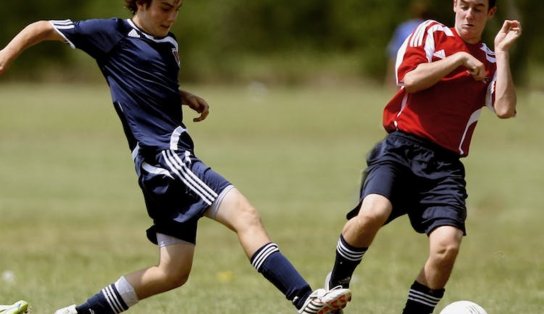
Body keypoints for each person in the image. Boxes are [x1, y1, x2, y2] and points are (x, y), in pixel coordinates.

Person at [0, 0, 352, 313]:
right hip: (167, 159)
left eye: (177, 9)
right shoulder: (111, 33)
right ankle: (305, 299)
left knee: (172, 272)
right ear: (140, 3)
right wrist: (4, 56)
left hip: (160, 165)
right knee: (246, 215)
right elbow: (42, 28)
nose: (171, 17)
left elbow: (148, 82)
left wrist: (180, 95)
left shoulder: (169, 44)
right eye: (165, 8)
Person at [324, 0, 521, 313]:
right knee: (372, 213)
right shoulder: (430, 32)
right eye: (465, 5)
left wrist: (503, 52)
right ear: (455, 4)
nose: (470, 14)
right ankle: (334, 287)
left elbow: (505, 108)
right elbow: (411, 80)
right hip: (401, 148)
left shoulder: (490, 60)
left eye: (479, 8)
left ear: (490, 13)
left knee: (447, 247)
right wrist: (458, 59)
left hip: (445, 166)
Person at [385, 0, 431, 88]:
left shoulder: (404, 28)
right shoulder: (431, 28)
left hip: (405, 71)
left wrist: (390, 77)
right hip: (424, 73)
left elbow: (393, 53)